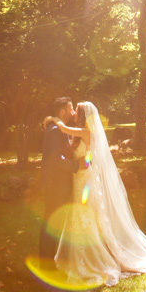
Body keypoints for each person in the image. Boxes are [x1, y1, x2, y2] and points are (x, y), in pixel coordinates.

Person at [50, 100, 146, 287]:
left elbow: (70, 137)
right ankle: (81, 255)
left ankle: (93, 257)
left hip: (85, 181)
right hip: (78, 180)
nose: (73, 113)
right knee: (81, 217)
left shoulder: (86, 132)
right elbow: (85, 155)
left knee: (86, 217)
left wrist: (52, 118)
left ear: (82, 115)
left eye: (76, 111)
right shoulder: (80, 133)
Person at [39, 97, 87, 269]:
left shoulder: (63, 129)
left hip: (65, 183)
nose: (73, 111)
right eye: (70, 108)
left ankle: (52, 260)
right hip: (56, 184)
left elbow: (87, 157)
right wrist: (76, 165)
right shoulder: (55, 130)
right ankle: (46, 263)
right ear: (62, 112)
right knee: (51, 222)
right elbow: (55, 158)